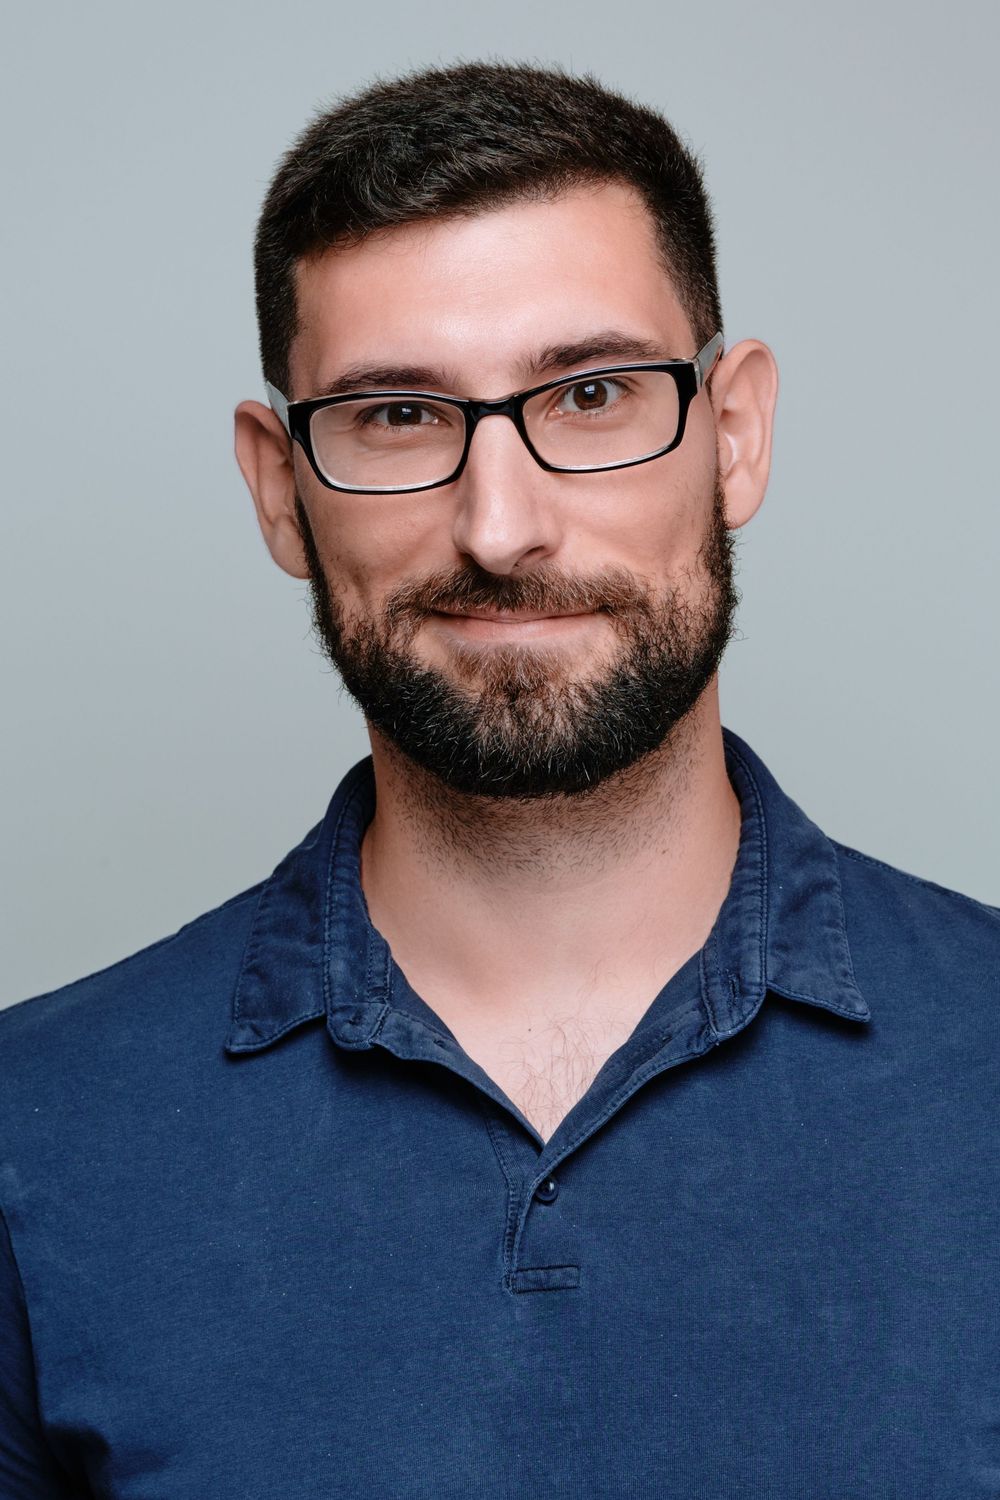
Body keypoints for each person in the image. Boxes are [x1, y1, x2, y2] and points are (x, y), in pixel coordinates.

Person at [1, 60, 998, 1500]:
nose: (501, 524)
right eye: (398, 417)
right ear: (281, 487)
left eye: (591, 394)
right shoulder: (38, 1142)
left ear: (735, 436)